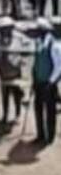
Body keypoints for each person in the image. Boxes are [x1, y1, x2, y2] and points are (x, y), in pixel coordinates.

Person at [0, 16, 26, 124]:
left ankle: (18, 114)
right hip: (3, 71)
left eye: (8, 28)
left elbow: (27, 47)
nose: (7, 30)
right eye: (4, 28)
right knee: (5, 95)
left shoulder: (18, 37)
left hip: (15, 71)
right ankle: (5, 115)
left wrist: (20, 59)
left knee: (16, 94)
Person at [31, 18, 61, 146]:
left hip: (49, 83)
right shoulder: (38, 43)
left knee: (50, 111)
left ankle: (50, 137)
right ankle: (40, 135)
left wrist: (51, 82)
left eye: (38, 30)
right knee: (38, 108)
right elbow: (36, 62)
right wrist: (34, 77)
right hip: (38, 81)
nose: (36, 32)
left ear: (44, 31)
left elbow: (59, 66)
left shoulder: (54, 45)